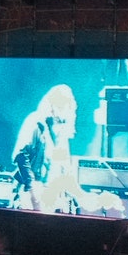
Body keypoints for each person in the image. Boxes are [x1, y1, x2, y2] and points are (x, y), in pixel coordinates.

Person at [10, 83, 81, 213]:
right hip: (34, 192)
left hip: (52, 195)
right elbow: (20, 155)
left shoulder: (61, 132)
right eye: (64, 104)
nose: (68, 109)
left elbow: (62, 166)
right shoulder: (36, 123)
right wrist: (32, 190)